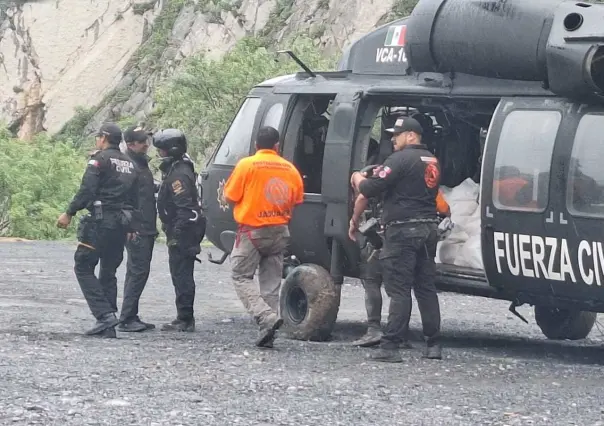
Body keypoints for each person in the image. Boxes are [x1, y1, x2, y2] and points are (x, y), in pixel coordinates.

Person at [350, 116, 443, 362]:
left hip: (402, 231)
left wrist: (357, 177)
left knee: (399, 289)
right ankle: (433, 345)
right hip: (428, 229)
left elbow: (369, 189)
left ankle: (390, 346)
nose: (393, 138)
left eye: (397, 134)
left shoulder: (400, 159)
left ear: (411, 136)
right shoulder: (432, 160)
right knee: (425, 288)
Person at [223, 126, 304, 348]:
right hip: (279, 230)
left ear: (256, 145)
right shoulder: (290, 168)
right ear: (277, 146)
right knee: (271, 283)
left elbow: (230, 195)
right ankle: (268, 331)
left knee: (240, 275)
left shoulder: (247, 165)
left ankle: (265, 316)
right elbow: (297, 199)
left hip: (252, 231)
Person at [57, 122, 140, 338]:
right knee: (108, 271)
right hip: (122, 224)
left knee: (83, 266)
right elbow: (134, 198)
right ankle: (108, 325)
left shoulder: (99, 160)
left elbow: (87, 190)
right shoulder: (130, 164)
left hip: (100, 222)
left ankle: (104, 316)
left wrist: (69, 212)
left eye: (98, 137)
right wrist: (132, 225)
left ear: (103, 138)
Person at [152, 129, 205, 332]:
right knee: (180, 273)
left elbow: (186, 208)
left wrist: (176, 233)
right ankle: (183, 316)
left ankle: (185, 318)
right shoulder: (178, 168)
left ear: (171, 150)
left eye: (162, 151)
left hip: (184, 232)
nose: (159, 155)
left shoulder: (179, 174)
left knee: (182, 274)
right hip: (183, 229)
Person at [118, 126, 158, 332]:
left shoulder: (140, 165)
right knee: (138, 271)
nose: (146, 144)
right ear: (131, 144)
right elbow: (125, 199)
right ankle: (126, 318)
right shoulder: (130, 166)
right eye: (142, 141)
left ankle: (130, 314)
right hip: (138, 228)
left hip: (146, 226)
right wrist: (131, 226)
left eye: (146, 140)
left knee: (137, 271)